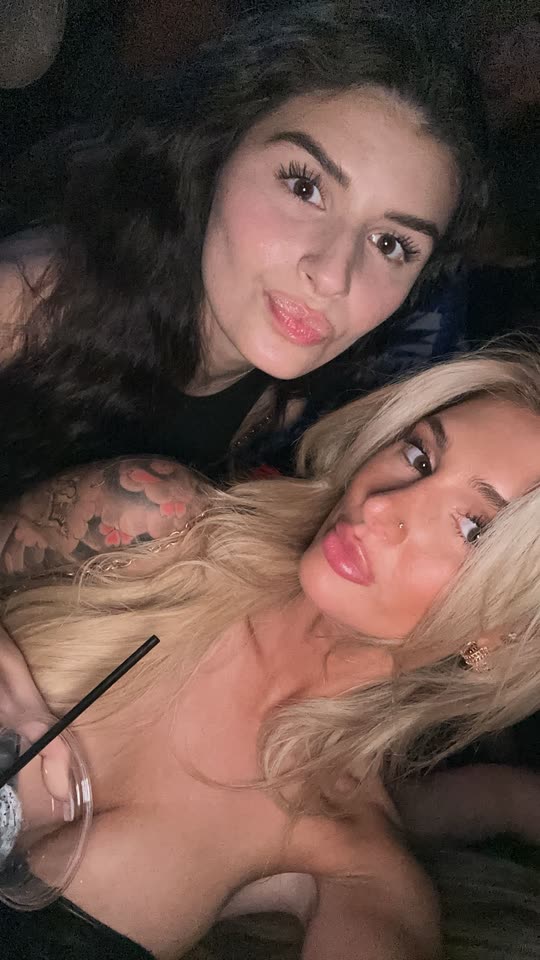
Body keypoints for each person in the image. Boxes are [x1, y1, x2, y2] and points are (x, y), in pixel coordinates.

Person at [1, 349, 540, 957]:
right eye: (419, 456)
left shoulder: (354, 865)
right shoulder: (154, 522)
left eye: (472, 529)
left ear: (500, 637)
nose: (382, 506)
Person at [0, 2, 487, 499]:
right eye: (304, 188)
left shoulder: (277, 404)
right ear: (216, 150)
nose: (332, 275)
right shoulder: (27, 301)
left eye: (390, 244)